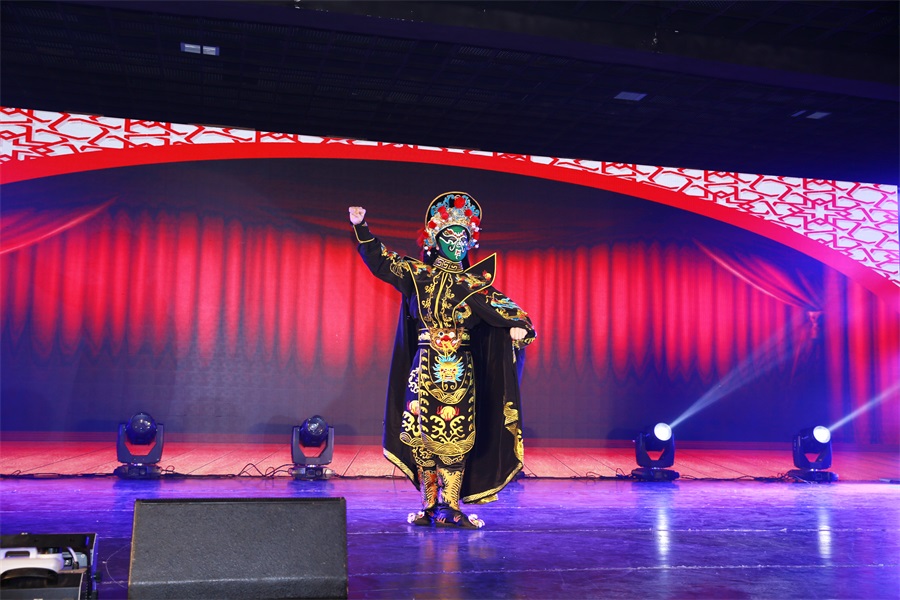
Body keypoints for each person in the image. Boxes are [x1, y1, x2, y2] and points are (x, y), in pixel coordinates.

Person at [349, 192, 536, 529]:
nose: (458, 244)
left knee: (454, 437)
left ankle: (449, 506)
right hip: (421, 369)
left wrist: (518, 329)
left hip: (459, 373)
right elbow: (382, 260)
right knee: (421, 440)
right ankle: (428, 505)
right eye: (451, 236)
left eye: (464, 238)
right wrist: (361, 227)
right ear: (435, 240)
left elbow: (515, 314)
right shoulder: (417, 274)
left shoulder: (475, 285)